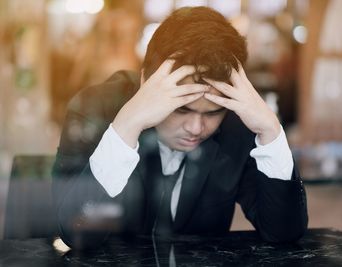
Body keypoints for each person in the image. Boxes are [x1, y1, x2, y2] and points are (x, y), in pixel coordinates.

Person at [52, 6, 307, 250]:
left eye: (212, 113)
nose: (196, 128)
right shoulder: (93, 109)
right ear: (146, 84)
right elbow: (77, 233)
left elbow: (283, 232)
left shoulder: (237, 122)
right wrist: (126, 126)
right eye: (181, 109)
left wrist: (271, 130)